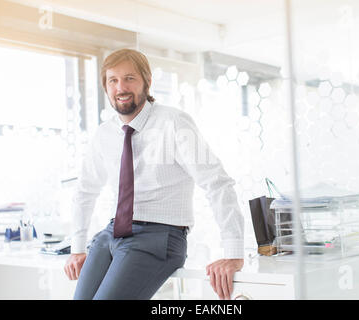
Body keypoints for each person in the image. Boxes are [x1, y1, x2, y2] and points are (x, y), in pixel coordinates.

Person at [64, 48, 244, 300]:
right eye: (113, 80)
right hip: (111, 234)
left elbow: (217, 183)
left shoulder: (174, 122)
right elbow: (84, 191)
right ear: (105, 87)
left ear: (147, 82)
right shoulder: (105, 133)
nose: (120, 87)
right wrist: (77, 247)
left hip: (160, 237)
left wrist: (233, 252)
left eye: (129, 78)